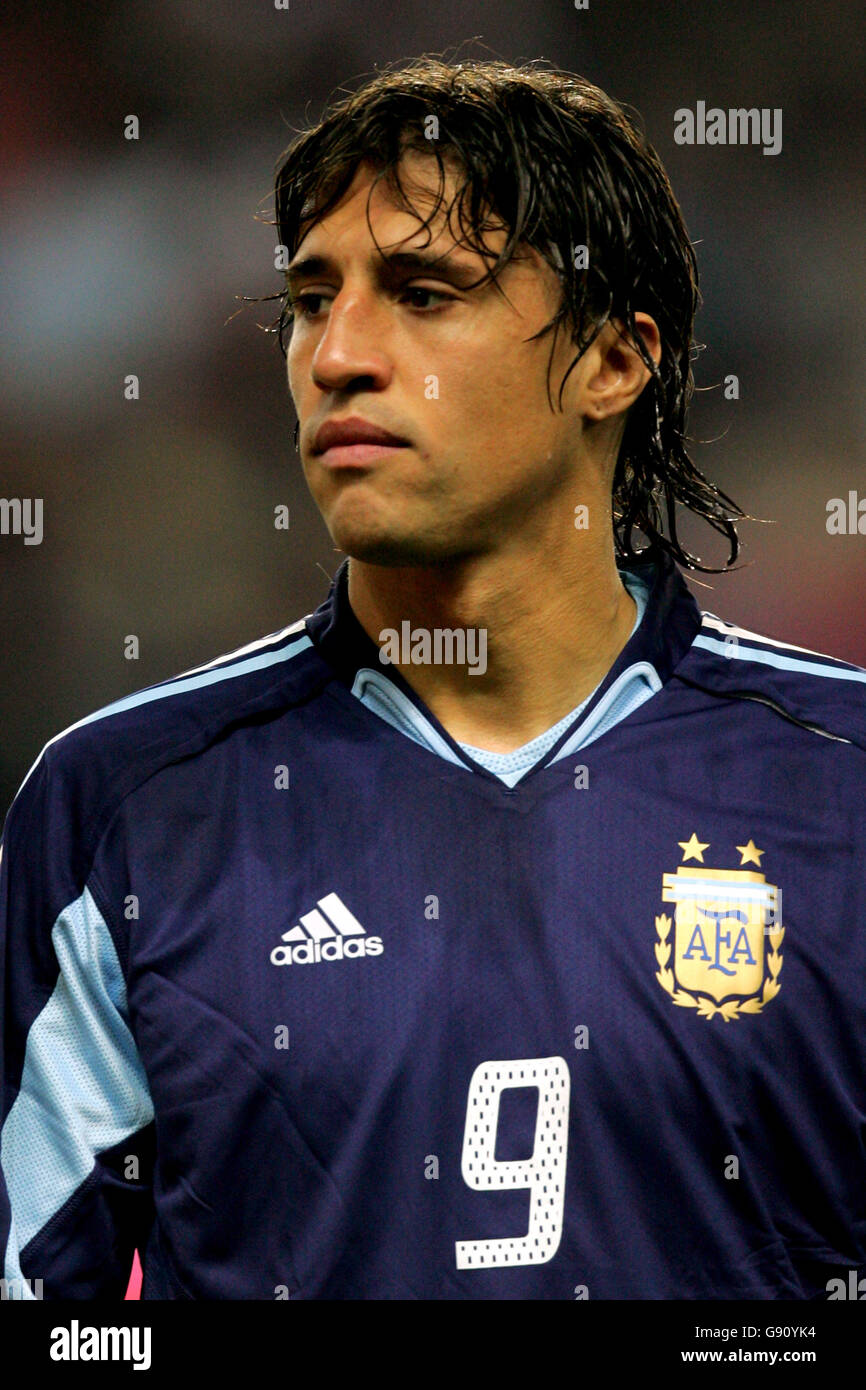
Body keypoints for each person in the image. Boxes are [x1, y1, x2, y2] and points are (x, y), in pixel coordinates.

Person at [2, 57, 864, 1301]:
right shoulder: (119, 810)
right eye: (309, 298)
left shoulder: (832, 787)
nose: (337, 354)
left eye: (422, 290)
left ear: (613, 362)